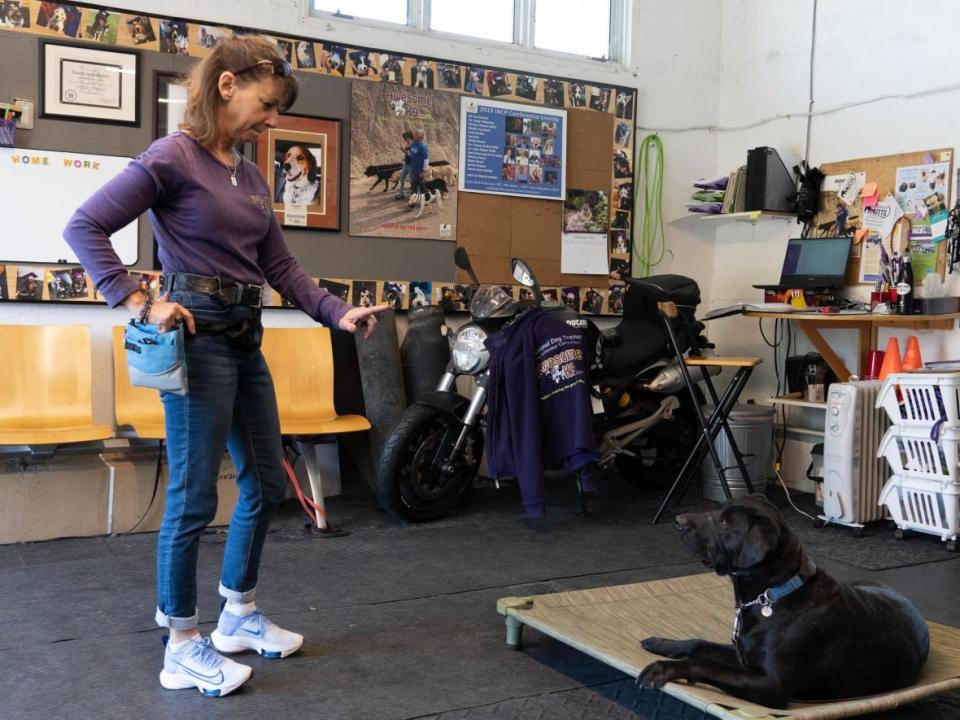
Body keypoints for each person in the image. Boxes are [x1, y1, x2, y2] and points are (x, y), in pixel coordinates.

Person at [63, 35, 388, 698]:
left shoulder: (249, 174)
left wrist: (336, 313)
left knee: (267, 482)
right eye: (266, 105)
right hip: (196, 337)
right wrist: (138, 300)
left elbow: (281, 267)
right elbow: (84, 226)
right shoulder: (172, 157)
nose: (272, 121)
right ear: (227, 84)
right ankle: (180, 643)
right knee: (192, 496)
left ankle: (236, 615)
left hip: (245, 338)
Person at [408, 128, 429, 201]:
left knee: (420, 187)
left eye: (417, 134)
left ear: (421, 136)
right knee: (415, 186)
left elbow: (426, 160)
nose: (414, 135)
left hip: (420, 171)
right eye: (414, 133)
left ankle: (425, 199)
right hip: (414, 170)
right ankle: (415, 201)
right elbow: (411, 153)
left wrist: (423, 171)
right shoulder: (413, 144)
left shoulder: (423, 146)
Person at [395, 129, 413, 200]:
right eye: (404, 138)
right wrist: (404, 160)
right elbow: (407, 154)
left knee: (412, 180)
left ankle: (415, 195)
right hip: (407, 164)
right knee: (402, 177)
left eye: (406, 138)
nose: (405, 140)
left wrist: (402, 149)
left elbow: (410, 154)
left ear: (409, 137)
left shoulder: (413, 144)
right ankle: (401, 193)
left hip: (411, 164)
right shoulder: (408, 144)